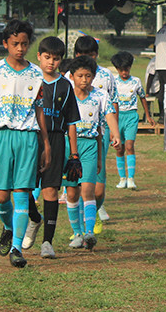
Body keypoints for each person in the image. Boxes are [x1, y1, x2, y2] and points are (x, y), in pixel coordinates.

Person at [0, 19, 52, 269]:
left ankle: (17, 248)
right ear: (5, 43)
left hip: (28, 138)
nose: (20, 48)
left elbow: (40, 110)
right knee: (1, 197)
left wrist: (46, 145)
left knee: (22, 194)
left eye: (24, 44)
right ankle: (8, 227)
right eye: (15, 44)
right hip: (3, 137)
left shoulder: (35, 73)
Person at [22, 36, 80, 260]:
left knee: (50, 191)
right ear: (38, 56)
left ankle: (47, 242)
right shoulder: (30, 80)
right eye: (47, 57)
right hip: (29, 138)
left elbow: (72, 122)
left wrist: (74, 154)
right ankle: (34, 217)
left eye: (56, 59)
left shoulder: (65, 85)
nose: (51, 63)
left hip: (55, 140)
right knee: (23, 187)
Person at [61, 55, 119, 251]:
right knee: (72, 191)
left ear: (94, 77)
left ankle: (89, 233)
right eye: (80, 76)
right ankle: (77, 233)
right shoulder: (66, 95)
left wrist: (116, 134)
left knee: (87, 190)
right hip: (69, 145)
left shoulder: (100, 96)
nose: (84, 80)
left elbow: (109, 115)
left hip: (90, 145)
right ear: (72, 76)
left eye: (88, 76)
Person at [70, 35, 121, 231]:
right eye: (82, 56)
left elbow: (111, 106)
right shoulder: (68, 79)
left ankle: (93, 214)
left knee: (96, 189)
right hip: (72, 139)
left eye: (90, 55)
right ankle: (81, 230)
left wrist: (114, 132)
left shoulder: (106, 77)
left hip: (97, 135)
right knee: (76, 190)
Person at [111, 50, 152, 190]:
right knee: (119, 148)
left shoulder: (136, 81)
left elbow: (142, 97)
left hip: (131, 116)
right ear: (117, 69)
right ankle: (122, 178)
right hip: (117, 117)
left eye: (127, 69)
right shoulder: (113, 82)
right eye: (121, 70)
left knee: (129, 146)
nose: (124, 73)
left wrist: (148, 115)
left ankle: (131, 178)